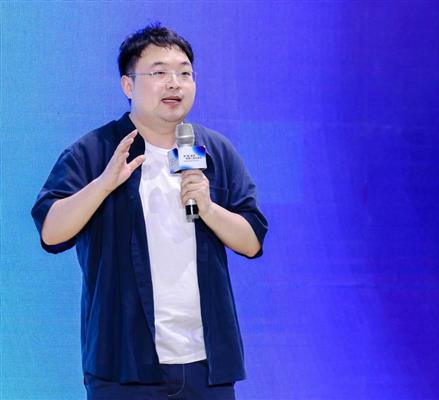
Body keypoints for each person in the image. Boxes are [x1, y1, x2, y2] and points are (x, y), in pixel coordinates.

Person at [31, 23, 267, 400]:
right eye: (159, 73)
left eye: (184, 73)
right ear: (128, 85)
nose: (174, 83)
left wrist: (208, 208)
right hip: (124, 366)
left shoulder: (214, 151)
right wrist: (103, 184)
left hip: (208, 366)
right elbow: (51, 232)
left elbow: (252, 240)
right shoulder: (95, 151)